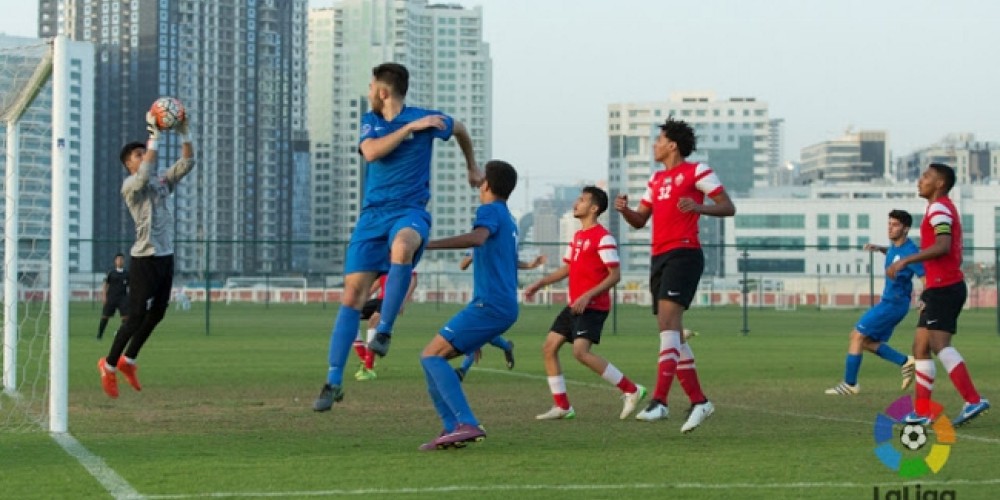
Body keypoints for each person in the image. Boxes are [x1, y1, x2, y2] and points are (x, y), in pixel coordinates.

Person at [314, 63, 480, 412]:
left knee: (403, 246)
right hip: (372, 217)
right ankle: (333, 380)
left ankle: (384, 331)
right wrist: (409, 128)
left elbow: (462, 129)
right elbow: (372, 152)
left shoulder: (428, 118)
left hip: (409, 212)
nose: (369, 90)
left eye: (371, 85)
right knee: (351, 296)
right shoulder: (372, 121)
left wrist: (471, 166)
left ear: (383, 91)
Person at [614, 117, 735, 433]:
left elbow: (727, 206)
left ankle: (659, 401)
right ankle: (699, 401)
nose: (654, 145)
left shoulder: (697, 171)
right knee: (671, 332)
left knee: (669, 326)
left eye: (658, 140)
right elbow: (641, 220)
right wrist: (625, 210)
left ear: (673, 145)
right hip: (659, 258)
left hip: (685, 253)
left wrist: (698, 208)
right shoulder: (655, 180)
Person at [417, 160, 519, 450]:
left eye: (482, 178)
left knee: (431, 357)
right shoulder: (508, 219)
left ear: (487, 184)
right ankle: (452, 428)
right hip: (501, 304)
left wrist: (427, 244)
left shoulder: (489, 211)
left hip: (490, 304)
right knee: (430, 357)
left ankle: (465, 423)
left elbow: (478, 237)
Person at [525, 186, 646, 421]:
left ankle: (631, 390)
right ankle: (562, 406)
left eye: (581, 200)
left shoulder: (604, 238)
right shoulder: (578, 236)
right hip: (575, 305)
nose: (575, 203)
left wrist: (588, 295)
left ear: (594, 208)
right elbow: (568, 268)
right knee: (549, 348)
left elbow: (615, 275)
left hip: (593, 306)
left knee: (580, 352)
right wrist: (540, 283)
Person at [98, 111, 194, 398]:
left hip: (166, 256)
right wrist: (154, 137)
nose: (144, 155)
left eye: (145, 152)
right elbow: (142, 178)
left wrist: (185, 132)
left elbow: (188, 162)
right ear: (129, 164)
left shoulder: (163, 181)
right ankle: (109, 364)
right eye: (138, 154)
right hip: (144, 259)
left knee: (158, 313)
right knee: (136, 315)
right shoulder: (130, 186)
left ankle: (129, 361)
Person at [887, 163, 990, 426]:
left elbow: (942, 246)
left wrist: (905, 260)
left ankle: (973, 399)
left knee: (939, 345)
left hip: (945, 287)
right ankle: (923, 411)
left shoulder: (940, 208)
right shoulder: (937, 208)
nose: (920, 181)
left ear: (940, 184)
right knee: (920, 347)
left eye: (926, 177)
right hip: (937, 288)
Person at [825, 210, 924, 395]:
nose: (890, 228)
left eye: (895, 225)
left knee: (856, 335)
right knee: (866, 341)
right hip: (890, 302)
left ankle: (850, 384)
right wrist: (880, 248)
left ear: (906, 229)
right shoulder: (895, 246)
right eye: (889, 224)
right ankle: (905, 362)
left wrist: (924, 300)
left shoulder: (911, 252)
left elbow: (925, 277)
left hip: (893, 304)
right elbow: (894, 254)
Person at [453, 252, 545, 381]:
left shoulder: (501, 243)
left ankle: (462, 371)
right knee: (483, 335)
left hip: (498, 298)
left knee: (478, 334)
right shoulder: (478, 244)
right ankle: (506, 346)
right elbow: (462, 265)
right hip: (480, 297)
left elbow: (512, 262)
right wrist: (474, 256)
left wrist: (530, 265)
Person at [351, 271, 418, 381]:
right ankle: (364, 357)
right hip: (380, 299)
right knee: (351, 317)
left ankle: (369, 368)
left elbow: (413, 281)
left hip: (392, 300)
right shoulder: (384, 259)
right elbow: (380, 280)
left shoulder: (402, 257)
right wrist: (366, 295)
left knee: (373, 321)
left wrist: (402, 301)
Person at [97, 253, 129, 340]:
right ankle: (99, 335)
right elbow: (105, 284)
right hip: (111, 298)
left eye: (121, 259)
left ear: (124, 261)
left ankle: (119, 333)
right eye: (118, 259)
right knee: (105, 316)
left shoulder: (127, 273)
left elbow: (130, 286)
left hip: (123, 298)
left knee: (126, 318)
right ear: (115, 261)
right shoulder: (111, 273)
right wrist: (104, 296)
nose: (120, 261)